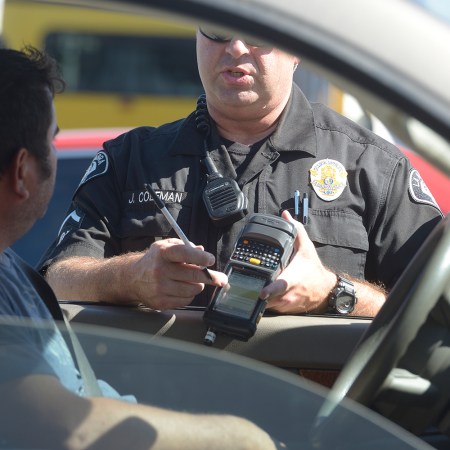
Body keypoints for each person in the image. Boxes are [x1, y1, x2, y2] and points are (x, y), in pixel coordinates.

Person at [39, 28, 442, 317]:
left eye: (257, 32)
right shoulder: (131, 159)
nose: (234, 47)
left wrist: (334, 292)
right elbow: (55, 281)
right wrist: (131, 277)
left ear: (298, 46)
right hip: (156, 421)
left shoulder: (371, 166)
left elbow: (435, 317)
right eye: (217, 30)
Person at [0, 46, 276, 450]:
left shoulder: (8, 270)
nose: (236, 47)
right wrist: (242, 439)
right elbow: (57, 425)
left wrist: (335, 290)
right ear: (24, 171)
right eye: (53, 141)